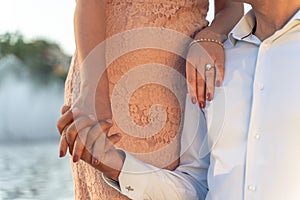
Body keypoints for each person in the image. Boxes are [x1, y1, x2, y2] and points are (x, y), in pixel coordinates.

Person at [57, 0, 243, 199]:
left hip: (184, 90)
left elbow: (232, 8)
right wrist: (93, 92)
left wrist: (211, 35)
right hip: (103, 86)